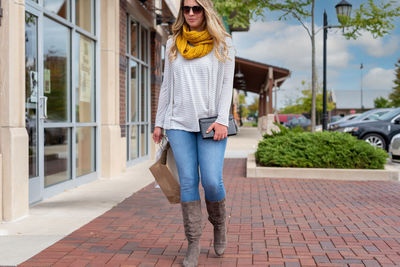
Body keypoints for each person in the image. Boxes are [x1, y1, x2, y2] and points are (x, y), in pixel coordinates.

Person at [152, 0, 235, 265]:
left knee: (211, 180)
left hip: (211, 125)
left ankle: (219, 225)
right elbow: (167, 86)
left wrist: (223, 119)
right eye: (186, 9)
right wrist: (159, 121)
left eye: (195, 8)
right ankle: (193, 243)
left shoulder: (223, 42)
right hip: (178, 124)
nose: (190, 13)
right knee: (188, 182)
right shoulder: (173, 43)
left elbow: (226, 85)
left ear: (206, 10)